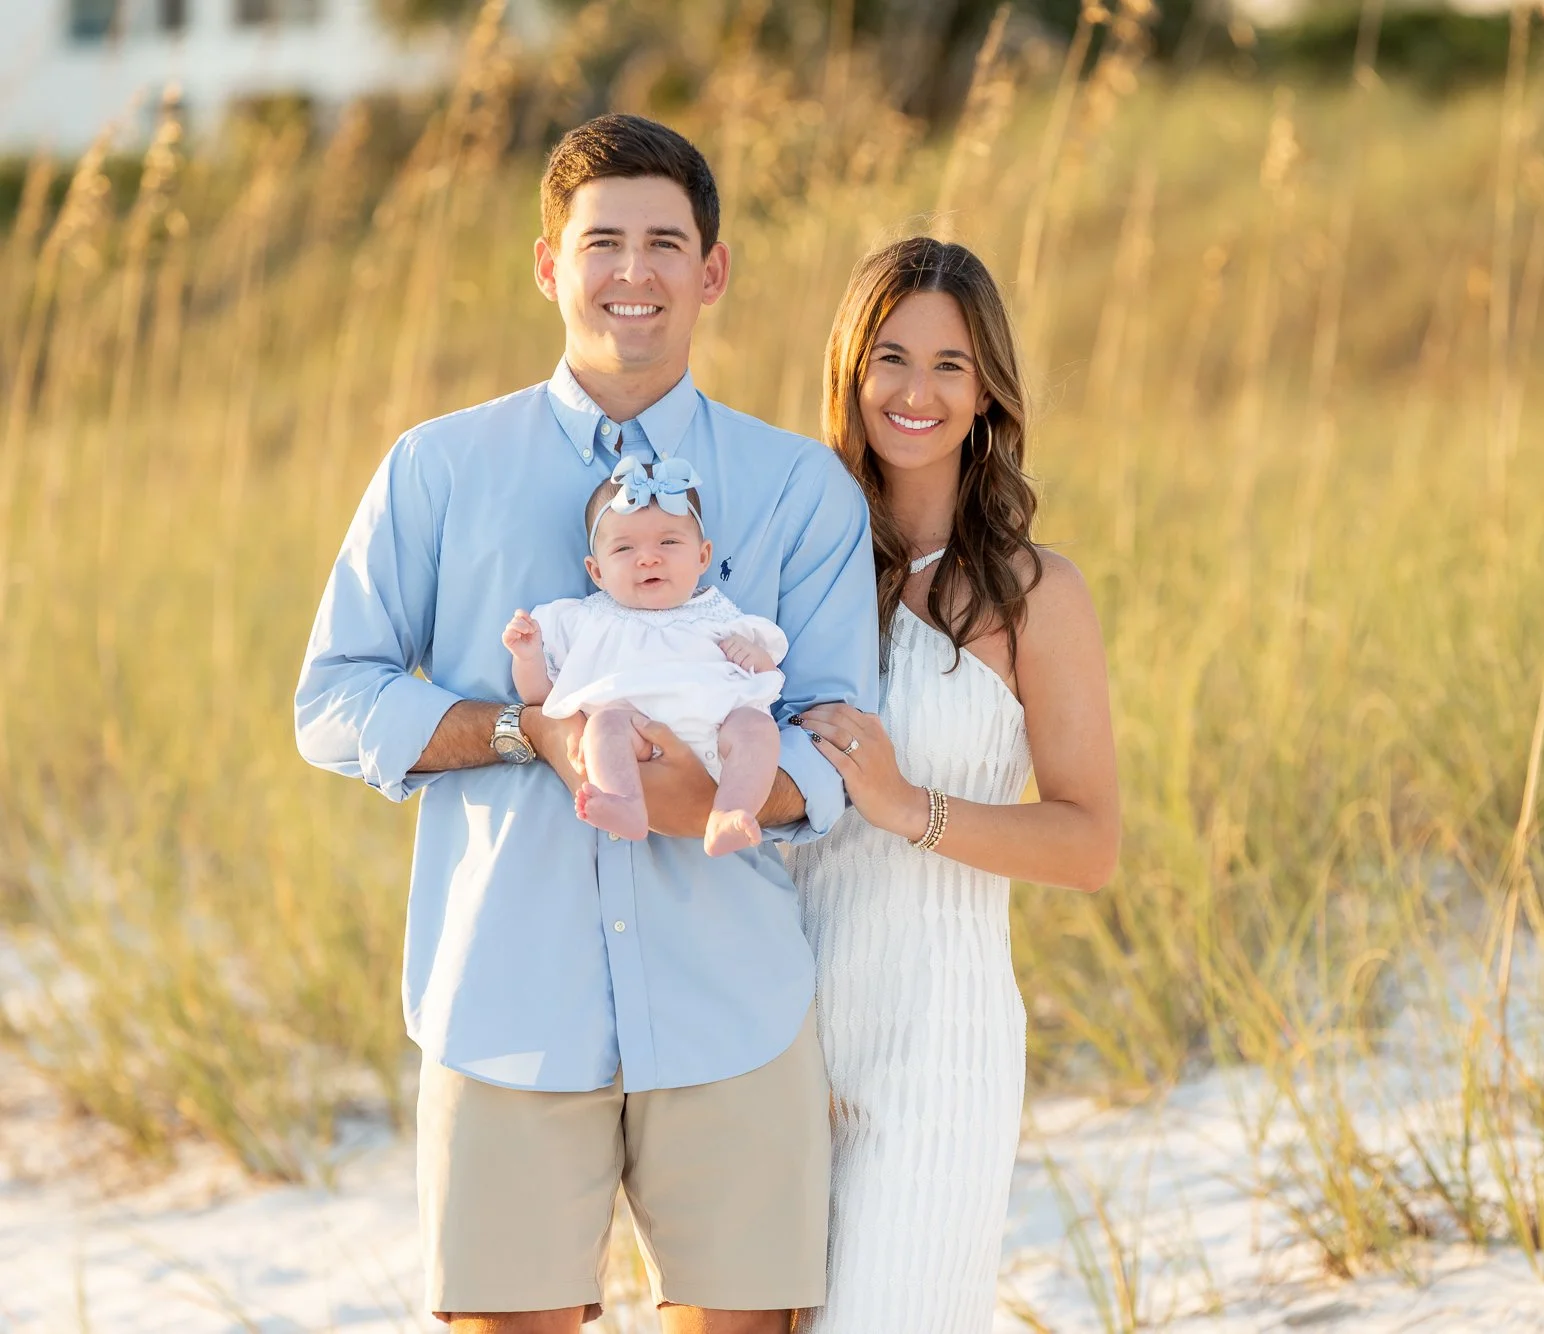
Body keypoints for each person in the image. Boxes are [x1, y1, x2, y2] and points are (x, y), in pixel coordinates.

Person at [294, 113, 876, 1333]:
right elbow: (331, 699)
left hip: (734, 1005)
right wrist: (525, 733)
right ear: (548, 261)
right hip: (505, 1000)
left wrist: (705, 791)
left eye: (665, 242)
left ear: (711, 271)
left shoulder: (795, 486)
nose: (632, 271)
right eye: (601, 239)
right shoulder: (436, 468)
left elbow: (837, 744)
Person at [788, 237, 1122, 1331]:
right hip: (775, 1032)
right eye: (890, 357)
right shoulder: (790, 568)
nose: (916, 391)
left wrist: (905, 806)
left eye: (949, 363)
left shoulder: (1035, 591)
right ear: (850, 370)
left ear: (986, 392)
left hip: (935, 1044)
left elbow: (1088, 842)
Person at [504, 456, 789, 856]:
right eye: (624, 548)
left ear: (703, 556)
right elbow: (541, 697)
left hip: (718, 728)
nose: (649, 558)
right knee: (602, 729)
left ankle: (729, 811)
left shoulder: (717, 612)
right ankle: (626, 803)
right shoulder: (586, 619)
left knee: (758, 730)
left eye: (669, 542)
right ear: (597, 571)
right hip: (633, 732)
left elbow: (771, 678)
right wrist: (528, 655)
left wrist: (755, 655)